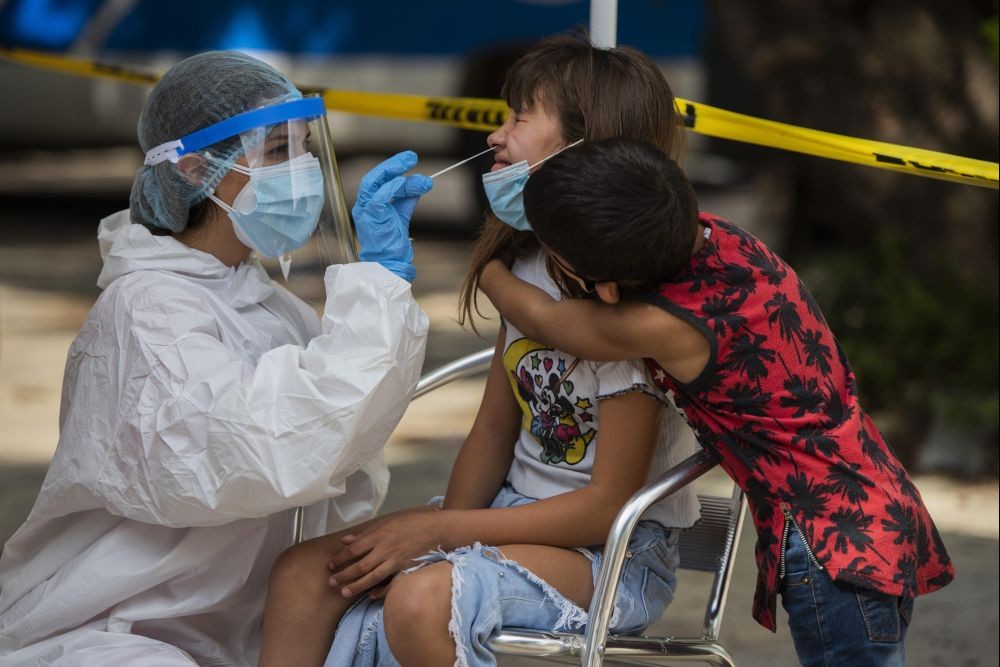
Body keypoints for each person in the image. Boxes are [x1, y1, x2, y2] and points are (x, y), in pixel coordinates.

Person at [258, 31, 701, 667]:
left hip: (612, 551)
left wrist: (440, 534)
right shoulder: (527, 270)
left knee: (419, 600)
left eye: (520, 117)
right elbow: (493, 432)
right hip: (505, 518)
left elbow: (606, 508)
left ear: (583, 146)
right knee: (306, 573)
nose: (495, 134)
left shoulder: (622, 307)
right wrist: (430, 539)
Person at [0, 51, 433, 666]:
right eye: (278, 152)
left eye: (307, 148)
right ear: (199, 166)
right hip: (117, 629)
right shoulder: (147, 310)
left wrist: (379, 293)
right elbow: (265, 449)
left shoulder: (267, 304)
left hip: (243, 628)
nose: (305, 170)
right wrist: (378, 289)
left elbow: (345, 456)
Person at [479, 136, 956, 666]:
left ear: (607, 288)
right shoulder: (716, 238)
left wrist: (490, 268)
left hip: (832, 550)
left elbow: (550, 322)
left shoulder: (672, 326)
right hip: (876, 509)